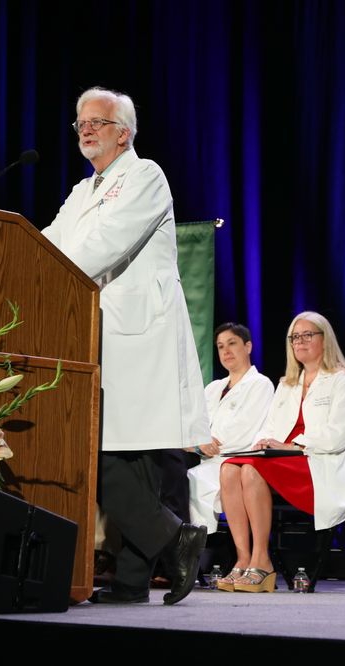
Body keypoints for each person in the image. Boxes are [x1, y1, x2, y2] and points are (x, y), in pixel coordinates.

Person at [41, 86, 209, 605]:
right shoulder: (82, 191)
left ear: (124, 132)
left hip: (140, 337)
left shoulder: (144, 175)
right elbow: (49, 240)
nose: (85, 128)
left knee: (105, 453)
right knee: (124, 456)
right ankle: (135, 579)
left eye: (97, 120)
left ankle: (173, 539)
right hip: (95, 334)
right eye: (79, 122)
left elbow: (103, 246)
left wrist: (49, 273)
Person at [218, 311, 345, 592]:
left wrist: (294, 446)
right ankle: (243, 559)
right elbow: (267, 426)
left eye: (308, 335)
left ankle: (263, 561)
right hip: (283, 461)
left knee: (250, 469)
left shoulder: (341, 382)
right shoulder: (287, 384)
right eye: (295, 336)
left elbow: (339, 435)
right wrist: (262, 442)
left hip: (319, 463)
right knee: (229, 468)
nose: (300, 341)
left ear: (325, 340)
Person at [186, 323, 275, 535]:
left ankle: (194, 553)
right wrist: (197, 444)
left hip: (232, 463)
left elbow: (242, 434)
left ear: (248, 347)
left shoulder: (260, 385)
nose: (225, 351)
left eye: (232, 343)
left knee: (184, 482)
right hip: (203, 460)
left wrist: (199, 444)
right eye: (220, 346)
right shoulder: (213, 388)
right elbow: (191, 427)